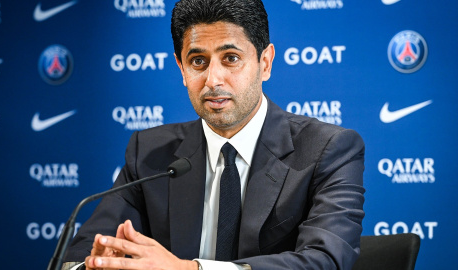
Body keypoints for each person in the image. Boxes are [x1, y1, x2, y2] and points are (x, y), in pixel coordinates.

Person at [62, 0, 365, 269]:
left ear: (265, 63)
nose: (213, 79)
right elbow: (82, 250)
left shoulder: (327, 149)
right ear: (182, 68)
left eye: (231, 58)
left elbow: (326, 260)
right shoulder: (150, 153)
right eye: (198, 61)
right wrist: (93, 265)